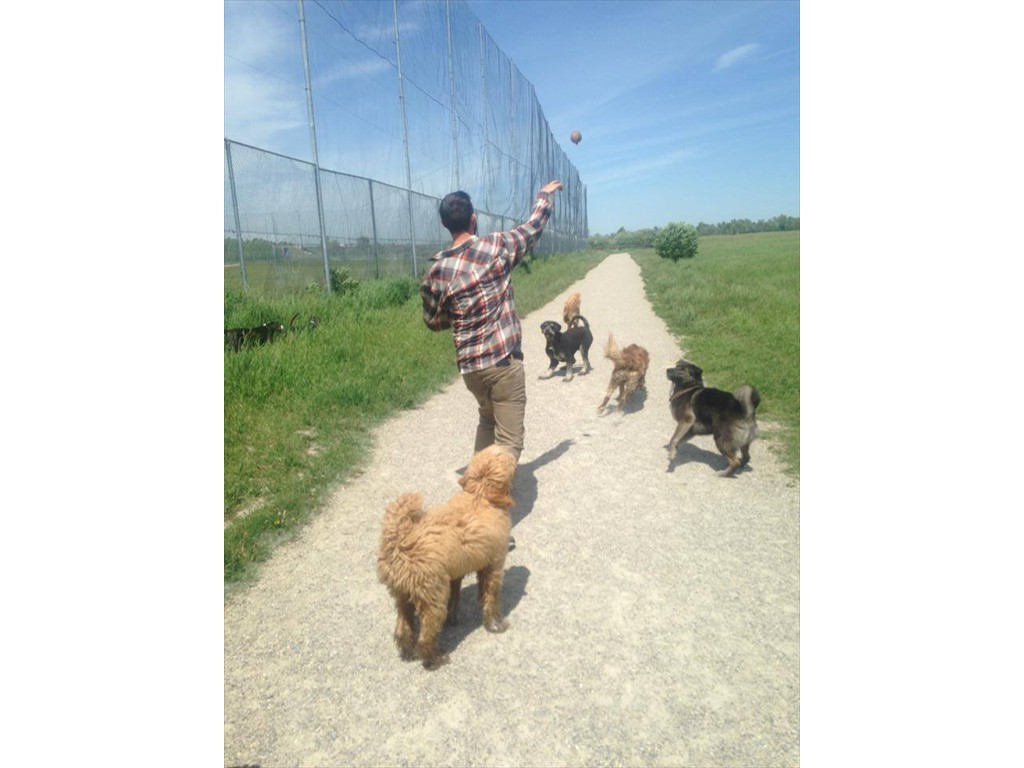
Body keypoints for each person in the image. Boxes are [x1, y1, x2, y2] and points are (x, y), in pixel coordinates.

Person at [420, 180, 564, 467]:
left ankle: (474, 494)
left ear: (445, 224)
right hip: (502, 366)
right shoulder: (497, 246)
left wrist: (461, 312)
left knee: (487, 421)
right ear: (474, 219)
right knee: (509, 443)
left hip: (471, 370)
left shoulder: (436, 272)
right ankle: (488, 504)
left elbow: (433, 321)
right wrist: (544, 197)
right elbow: (532, 228)